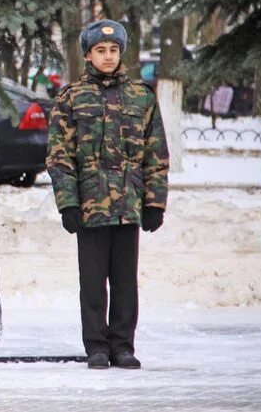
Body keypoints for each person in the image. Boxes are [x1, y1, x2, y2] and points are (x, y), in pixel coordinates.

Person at [46, 19, 169, 370]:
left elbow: (156, 154)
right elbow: (59, 156)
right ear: (88, 54)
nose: (108, 56)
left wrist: (155, 203)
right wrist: (67, 203)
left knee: (126, 283)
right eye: (101, 50)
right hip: (90, 206)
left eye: (114, 50)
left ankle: (123, 346)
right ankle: (97, 346)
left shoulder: (141, 97)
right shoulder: (71, 98)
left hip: (128, 206)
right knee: (93, 283)